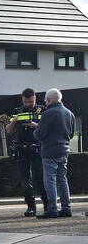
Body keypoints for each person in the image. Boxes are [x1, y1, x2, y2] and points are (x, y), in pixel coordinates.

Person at [34, 88, 76, 218]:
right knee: (62, 179)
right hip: (64, 150)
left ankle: (52, 209)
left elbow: (40, 135)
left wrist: (36, 128)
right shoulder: (70, 114)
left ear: (49, 100)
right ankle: (66, 208)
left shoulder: (48, 113)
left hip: (49, 151)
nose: (45, 102)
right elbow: (71, 134)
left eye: (46, 100)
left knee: (50, 180)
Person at [6, 88, 46, 217]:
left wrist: (37, 126)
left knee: (41, 178)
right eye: (26, 101)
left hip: (38, 148)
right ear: (22, 99)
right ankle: (31, 207)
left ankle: (47, 206)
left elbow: (49, 128)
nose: (28, 104)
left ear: (35, 98)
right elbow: (9, 130)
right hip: (22, 149)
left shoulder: (43, 110)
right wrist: (14, 121)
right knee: (25, 179)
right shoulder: (17, 111)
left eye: (31, 101)